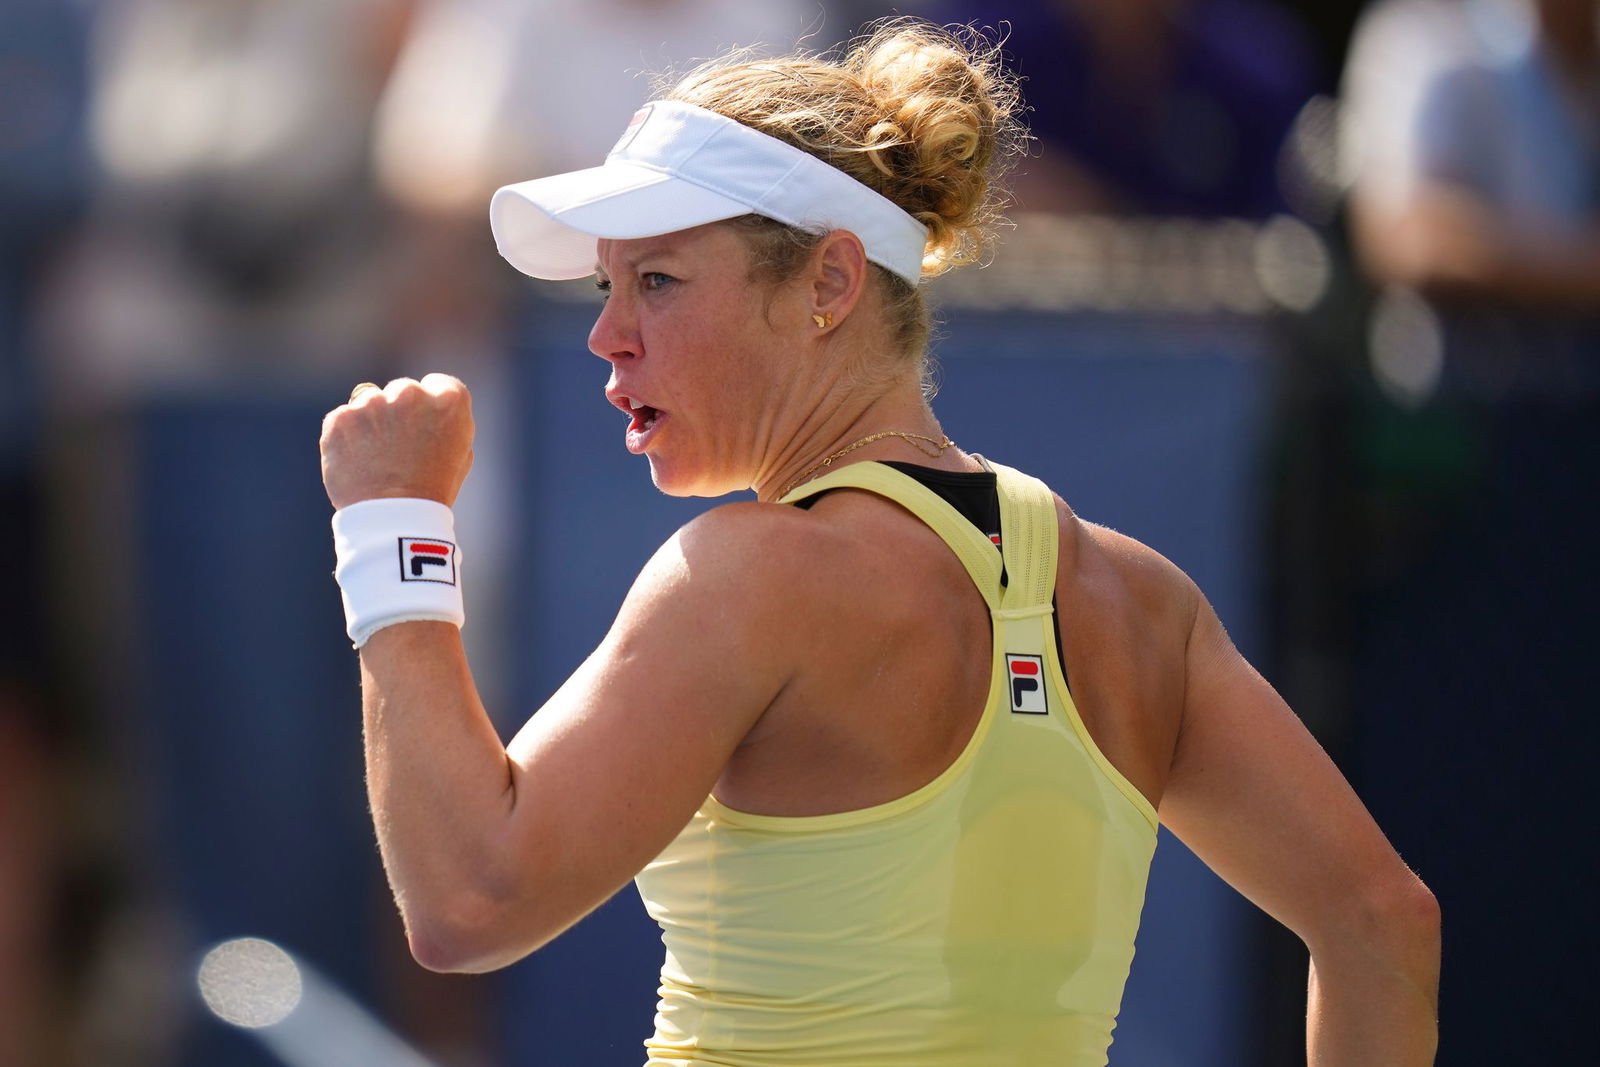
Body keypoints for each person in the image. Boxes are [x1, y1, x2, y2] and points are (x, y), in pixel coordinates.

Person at [318, 21, 1440, 1066]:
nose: (607, 335)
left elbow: (469, 898)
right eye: (607, 287)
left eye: (657, 280)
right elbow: (1381, 923)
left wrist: (394, 526)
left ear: (831, 283)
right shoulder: (1143, 601)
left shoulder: (747, 577)